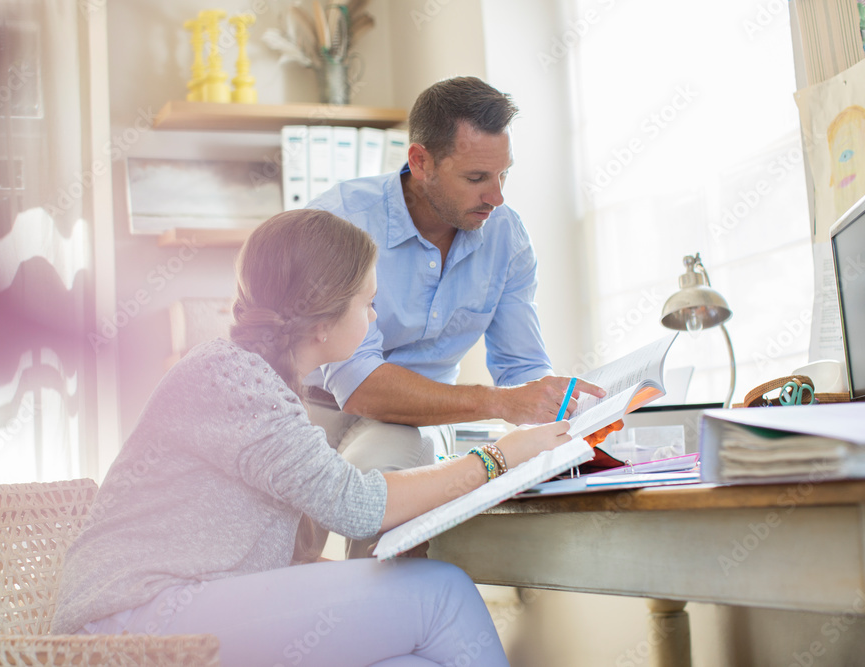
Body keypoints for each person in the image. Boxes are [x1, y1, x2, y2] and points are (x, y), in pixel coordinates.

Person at [50, 209, 574, 666]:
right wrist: (498, 457)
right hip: (129, 623)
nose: (374, 317)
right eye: (367, 303)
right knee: (444, 594)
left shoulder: (255, 379)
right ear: (323, 321)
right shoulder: (231, 378)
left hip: (176, 606)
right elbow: (356, 506)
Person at [304, 76, 616, 481]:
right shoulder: (341, 222)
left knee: (384, 465)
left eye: (503, 175)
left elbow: (521, 367)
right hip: (315, 409)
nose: (496, 197)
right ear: (420, 162)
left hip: (421, 421)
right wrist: (500, 402)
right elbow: (359, 385)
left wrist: (563, 415)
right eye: (476, 178)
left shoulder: (506, 237)